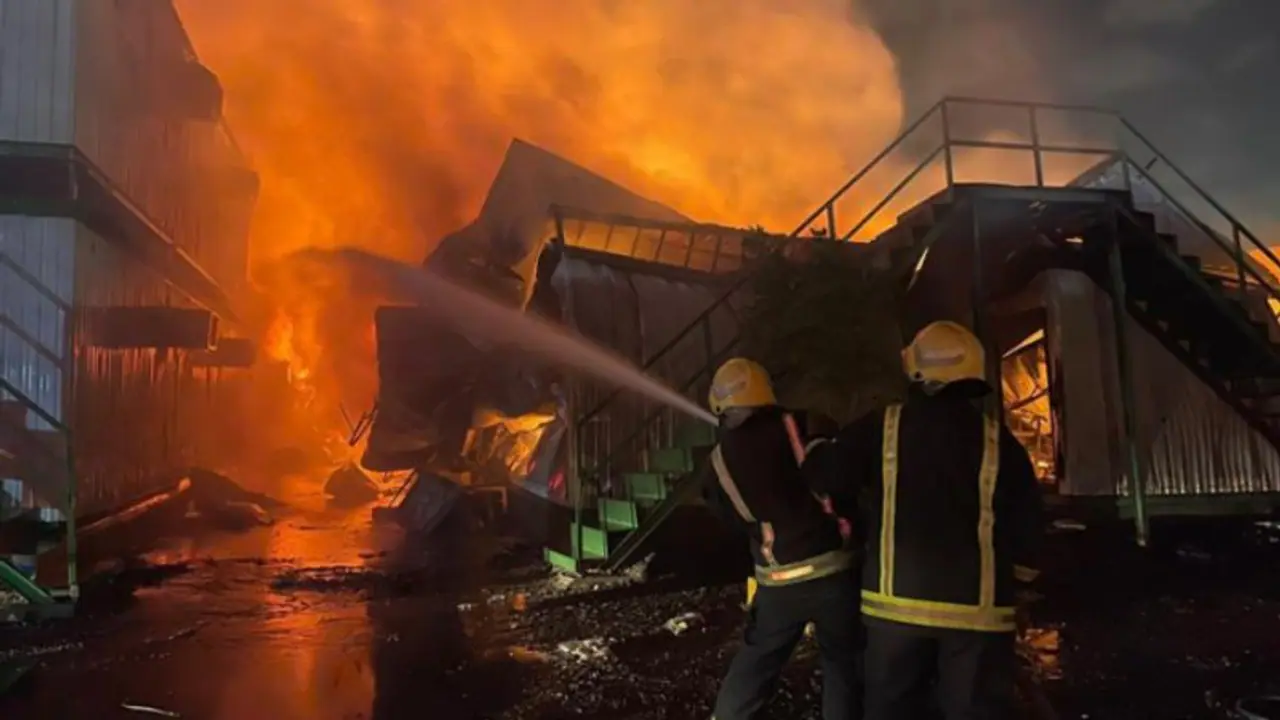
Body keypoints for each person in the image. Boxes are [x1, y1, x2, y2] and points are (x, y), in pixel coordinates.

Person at [805, 320, 1044, 720]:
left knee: (891, 710)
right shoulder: (998, 440)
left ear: (916, 371)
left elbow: (827, 476)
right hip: (979, 614)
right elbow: (1028, 523)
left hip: (895, 610)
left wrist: (815, 447)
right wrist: (1019, 584)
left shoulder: (884, 427)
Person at [701, 357, 861, 720]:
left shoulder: (717, 462)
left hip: (778, 582)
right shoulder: (804, 424)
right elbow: (840, 478)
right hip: (834, 570)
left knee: (757, 662)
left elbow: (729, 517)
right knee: (843, 665)